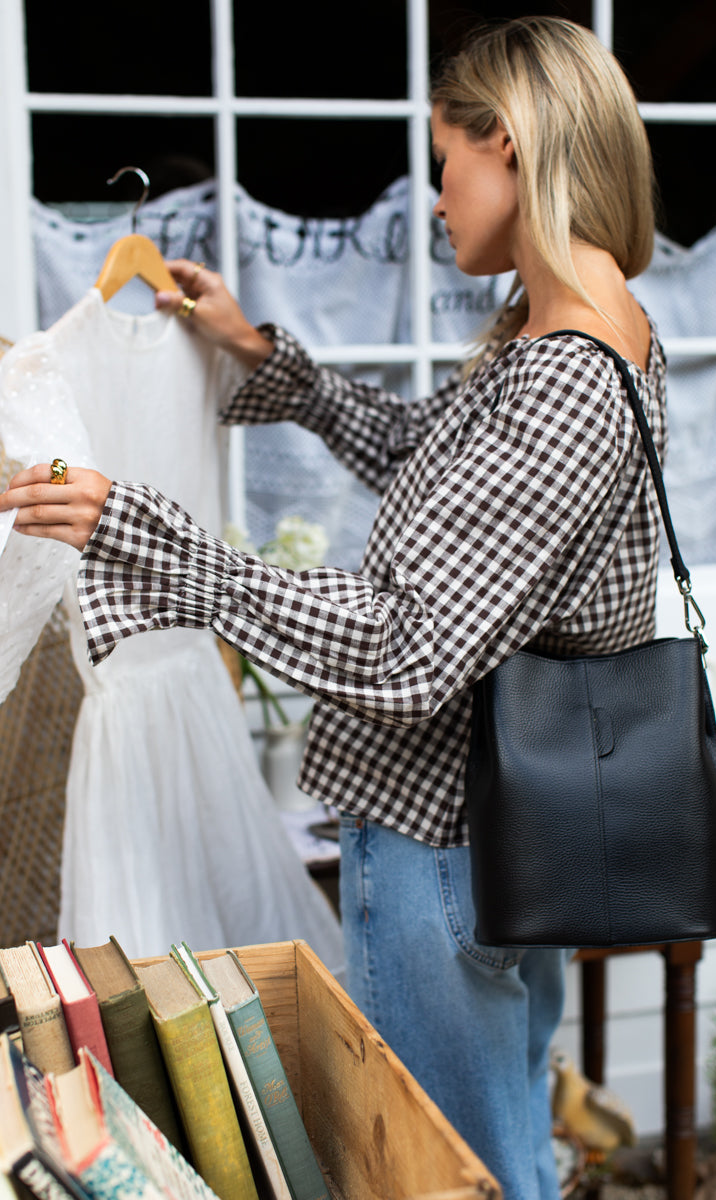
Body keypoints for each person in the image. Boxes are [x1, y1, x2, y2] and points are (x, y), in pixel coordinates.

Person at [0, 17, 664, 1200]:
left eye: (442, 163)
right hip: (506, 841)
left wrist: (142, 534)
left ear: (506, 146)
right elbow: (431, 456)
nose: (434, 199)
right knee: (489, 1147)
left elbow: (406, 645)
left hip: (446, 853)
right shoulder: (562, 337)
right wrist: (267, 359)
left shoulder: (566, 379)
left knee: (437, 1174)